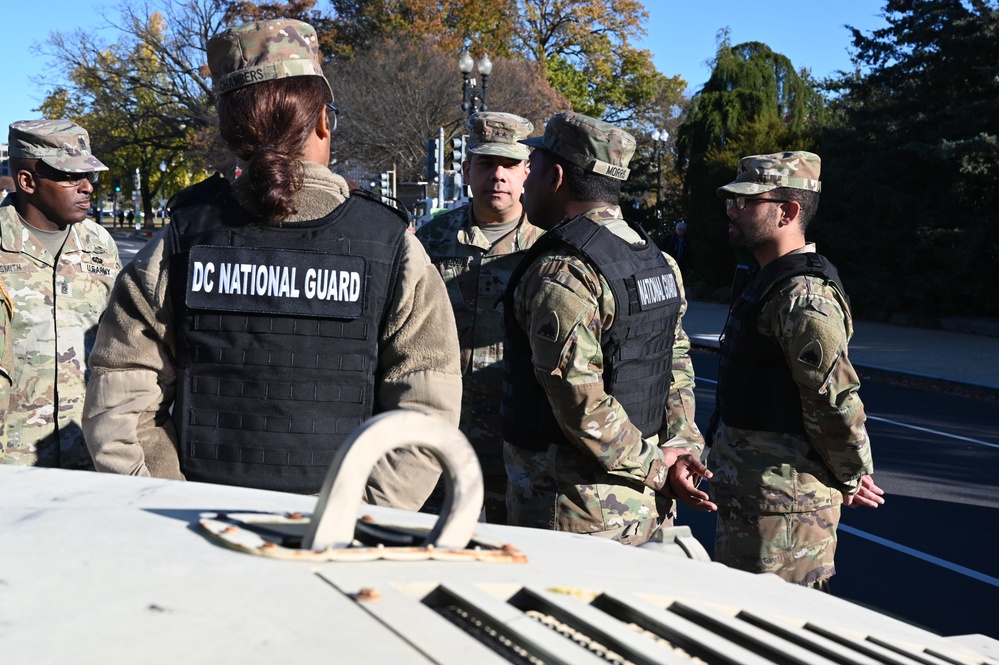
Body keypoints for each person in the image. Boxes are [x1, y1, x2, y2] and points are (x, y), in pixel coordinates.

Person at [82, 19, 461, 509]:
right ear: (324, 120)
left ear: (231, 131)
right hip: (338, 540)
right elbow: (425, 415)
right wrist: (354, 518)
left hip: (192, 533)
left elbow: (119, 409)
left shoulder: (177, 242)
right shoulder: (393, 246)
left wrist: (172, 510)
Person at [502, 112, 714, 546]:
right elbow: (675, 366)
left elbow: (583, 404)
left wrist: (660, 465)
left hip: (576, 514)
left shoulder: (565, 272)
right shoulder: (658, 262)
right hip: (649, 508)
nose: (526, 182)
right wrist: (681, 449)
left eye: (534, 168)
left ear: (556, 176)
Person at [711, 150, 884, 588]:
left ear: (788, 212)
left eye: (748, 201)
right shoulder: (768, 279)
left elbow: (834, 400)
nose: (733, 211)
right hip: (756, 501)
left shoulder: (803, 296)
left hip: (785, 514)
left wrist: (851, 473)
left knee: (772, 639)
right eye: (732, 201)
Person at [416, 112, 542, 523]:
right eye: (487, 164)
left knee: (513, 554)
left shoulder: (549, 246)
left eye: (509, 165)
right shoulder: (430, 240)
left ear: (527, 171)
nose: (498, 176)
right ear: (468, 169)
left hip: (517, 437)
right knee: (425, 542)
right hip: (441, 429)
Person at [1, 119, 121, 467]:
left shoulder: (99, 244)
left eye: (90, 176)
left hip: (90, 454)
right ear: (27, 181)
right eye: (71, 176)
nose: (87, 187)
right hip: (12, 461)